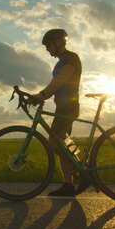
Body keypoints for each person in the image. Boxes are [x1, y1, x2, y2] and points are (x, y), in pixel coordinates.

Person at [30, 29, 84, 196]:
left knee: (55, 142)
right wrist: (43, 95)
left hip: (68, 107)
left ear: (57, 43)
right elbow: (56, 82)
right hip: (62, 107)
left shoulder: (70, 58)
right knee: (62, 143)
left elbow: (59, 81)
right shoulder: (61, 61)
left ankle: (83, 172)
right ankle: (70, 183)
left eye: (48, 45)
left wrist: (42, 95)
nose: (47, 49)